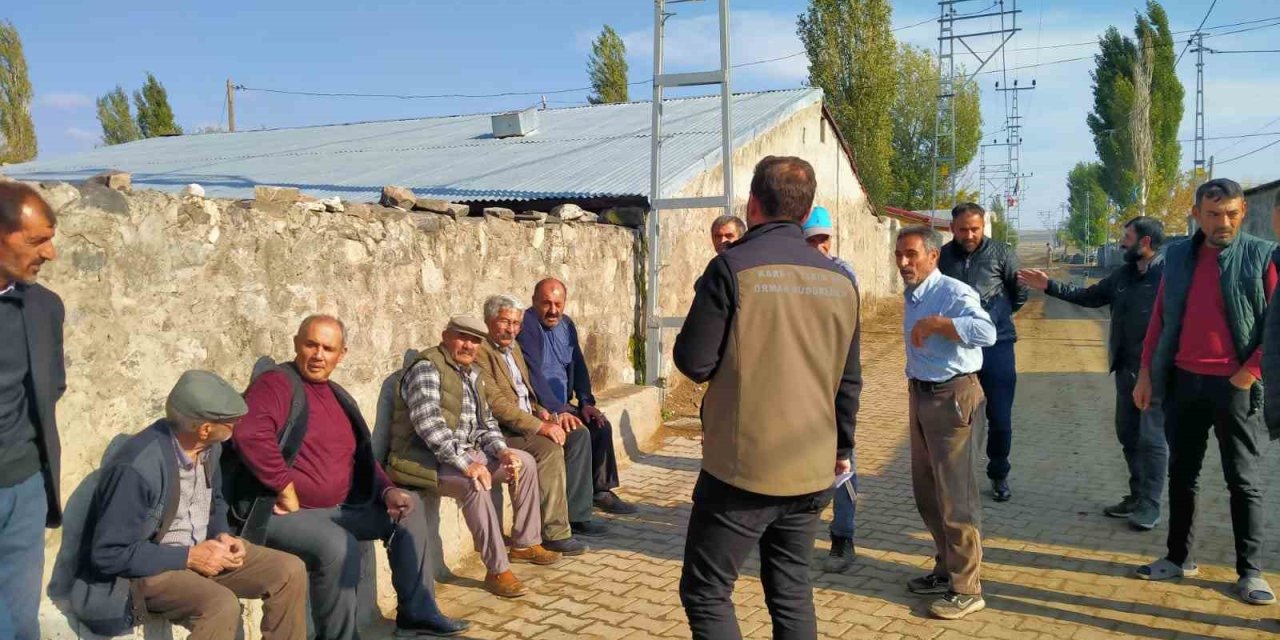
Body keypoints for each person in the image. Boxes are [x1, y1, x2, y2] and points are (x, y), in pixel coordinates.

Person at [674, 155, 861, 639]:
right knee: (791, 589)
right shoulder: (841, 281)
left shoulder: (731, 268)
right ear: (807, 210)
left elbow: (693, 363)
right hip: (812, 467)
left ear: (753, 204)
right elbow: (849, 380)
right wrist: (841, 450)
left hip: (743, 470)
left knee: (707, 590)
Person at [231, 315, 469, 638]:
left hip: (342, 508)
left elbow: (362, 458)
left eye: (328, 348)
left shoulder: (339, 396)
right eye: (311, 344)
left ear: (342, 354)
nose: (318, 355)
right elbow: (249, 431)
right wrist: (283, 486)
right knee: (336, 545)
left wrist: (386, 491)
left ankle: (417, 612)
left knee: (407, 509)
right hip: (284, 513)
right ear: (296, 344)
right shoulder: (276, 384)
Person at [73, 371, 308, 640]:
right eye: (231, 423)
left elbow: (214, 501)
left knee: (289, 571)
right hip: (149, 570)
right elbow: (109, 555)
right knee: (220, 605)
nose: (238, 426)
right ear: (205, 428)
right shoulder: (137, 469)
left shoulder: (208, 448)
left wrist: (223, 536)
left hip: (199, 554)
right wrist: (189, 557)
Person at [1134, 178, 1277, 605]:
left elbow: (1277, 325)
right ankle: (1178, 558)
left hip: (1235, 385)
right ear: (1196, 214)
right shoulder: (1177, 256)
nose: (1224, 222)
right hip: (1183, 382)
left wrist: (1249, 373)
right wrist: (1146, 373)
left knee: (1243, 480)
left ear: (1242, 213)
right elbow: (1159, 319)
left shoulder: (1262, 255)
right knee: (1183, 474)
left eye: (1232, 213)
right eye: (1214, 214)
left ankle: (1250, 571)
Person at [387, 316, 559, 599]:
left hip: (466, 452)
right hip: (423, 459)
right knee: (475, 484)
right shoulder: (427, 369)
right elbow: (430, 428)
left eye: (475, 340)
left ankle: (525, 543)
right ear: (445, 337)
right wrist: (469, 465)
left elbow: (486, 424)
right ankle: (496, 569)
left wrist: (502, 451)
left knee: (524, 462)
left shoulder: (473, 374)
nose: (469, 345)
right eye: (462, 337)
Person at [1017, 217, 1167, 531]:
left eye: (1127, 237)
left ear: (1146, 242)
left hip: (1156, 373)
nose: (1121, 243)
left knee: (1151, 440)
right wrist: (1049, 285)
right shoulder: (1124, 275)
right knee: (1128, 435)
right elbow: (1090, 297)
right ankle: (1136, 496)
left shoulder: (1169, 277)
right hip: (1125, 369)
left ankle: (1150, 506)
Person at [896, 225, 997, 620]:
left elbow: (987, 332)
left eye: (912, 255)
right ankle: (946, 568)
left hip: (953, 398)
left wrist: (941, 325)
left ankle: (967, 588)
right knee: (927, 493)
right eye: (899, 255)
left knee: (957, 497)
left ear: (933, 256)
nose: (904, 263)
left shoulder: (952, 293)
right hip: (920, 395)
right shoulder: (913, 294)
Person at [477, 294, 605, 556]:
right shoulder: (482, 353)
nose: (511, 329)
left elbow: (526, 391)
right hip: (505, 431)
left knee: (578, 433)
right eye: (504, 322)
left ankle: (576, 515)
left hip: (530, 419)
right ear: (489, 321)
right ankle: (554, 532)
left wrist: (545, 412)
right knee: (549, 448)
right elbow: (499, 405)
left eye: (515, 323)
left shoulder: (513, 349)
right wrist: (540, 426)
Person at [0, 182, 64, 640]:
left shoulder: (44, 307)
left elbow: (50, 387)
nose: (50, 253)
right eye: (36, 240)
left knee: (19, 625)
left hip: (23, 489)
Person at [517, 279, 637, 515]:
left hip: (563, 403)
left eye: (558, 304)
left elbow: (578, 364)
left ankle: (599, 491)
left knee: (599, 425)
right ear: (533, 302)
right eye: (546, 303)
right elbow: (533, 373)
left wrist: (586, 402)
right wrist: (557, 411)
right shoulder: (527, 325)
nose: (553, 310)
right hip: (540, 406)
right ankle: (574, 510)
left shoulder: (567, 324)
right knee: (578, 434)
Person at [938, 202, 1028, 502]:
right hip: (957, 349)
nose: (969, 234)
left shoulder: (1002, 253)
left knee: (1000, 417)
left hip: (997, 347)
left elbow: (1020, 293)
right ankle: (957, 476)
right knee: (958, 416)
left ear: (983, 226)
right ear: (952, 228)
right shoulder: (942, 258)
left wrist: (995, 319)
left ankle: (999, 473)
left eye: (974, 228)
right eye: (963, 229)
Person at [801, 204, 859, 572]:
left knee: (844, 463)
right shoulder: (792, 276)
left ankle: (843, 538)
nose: (819, 246)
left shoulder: (843, 275)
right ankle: (797, 534)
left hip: (835, 386)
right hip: (802, 387)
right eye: (812, 240)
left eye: (824, 239)